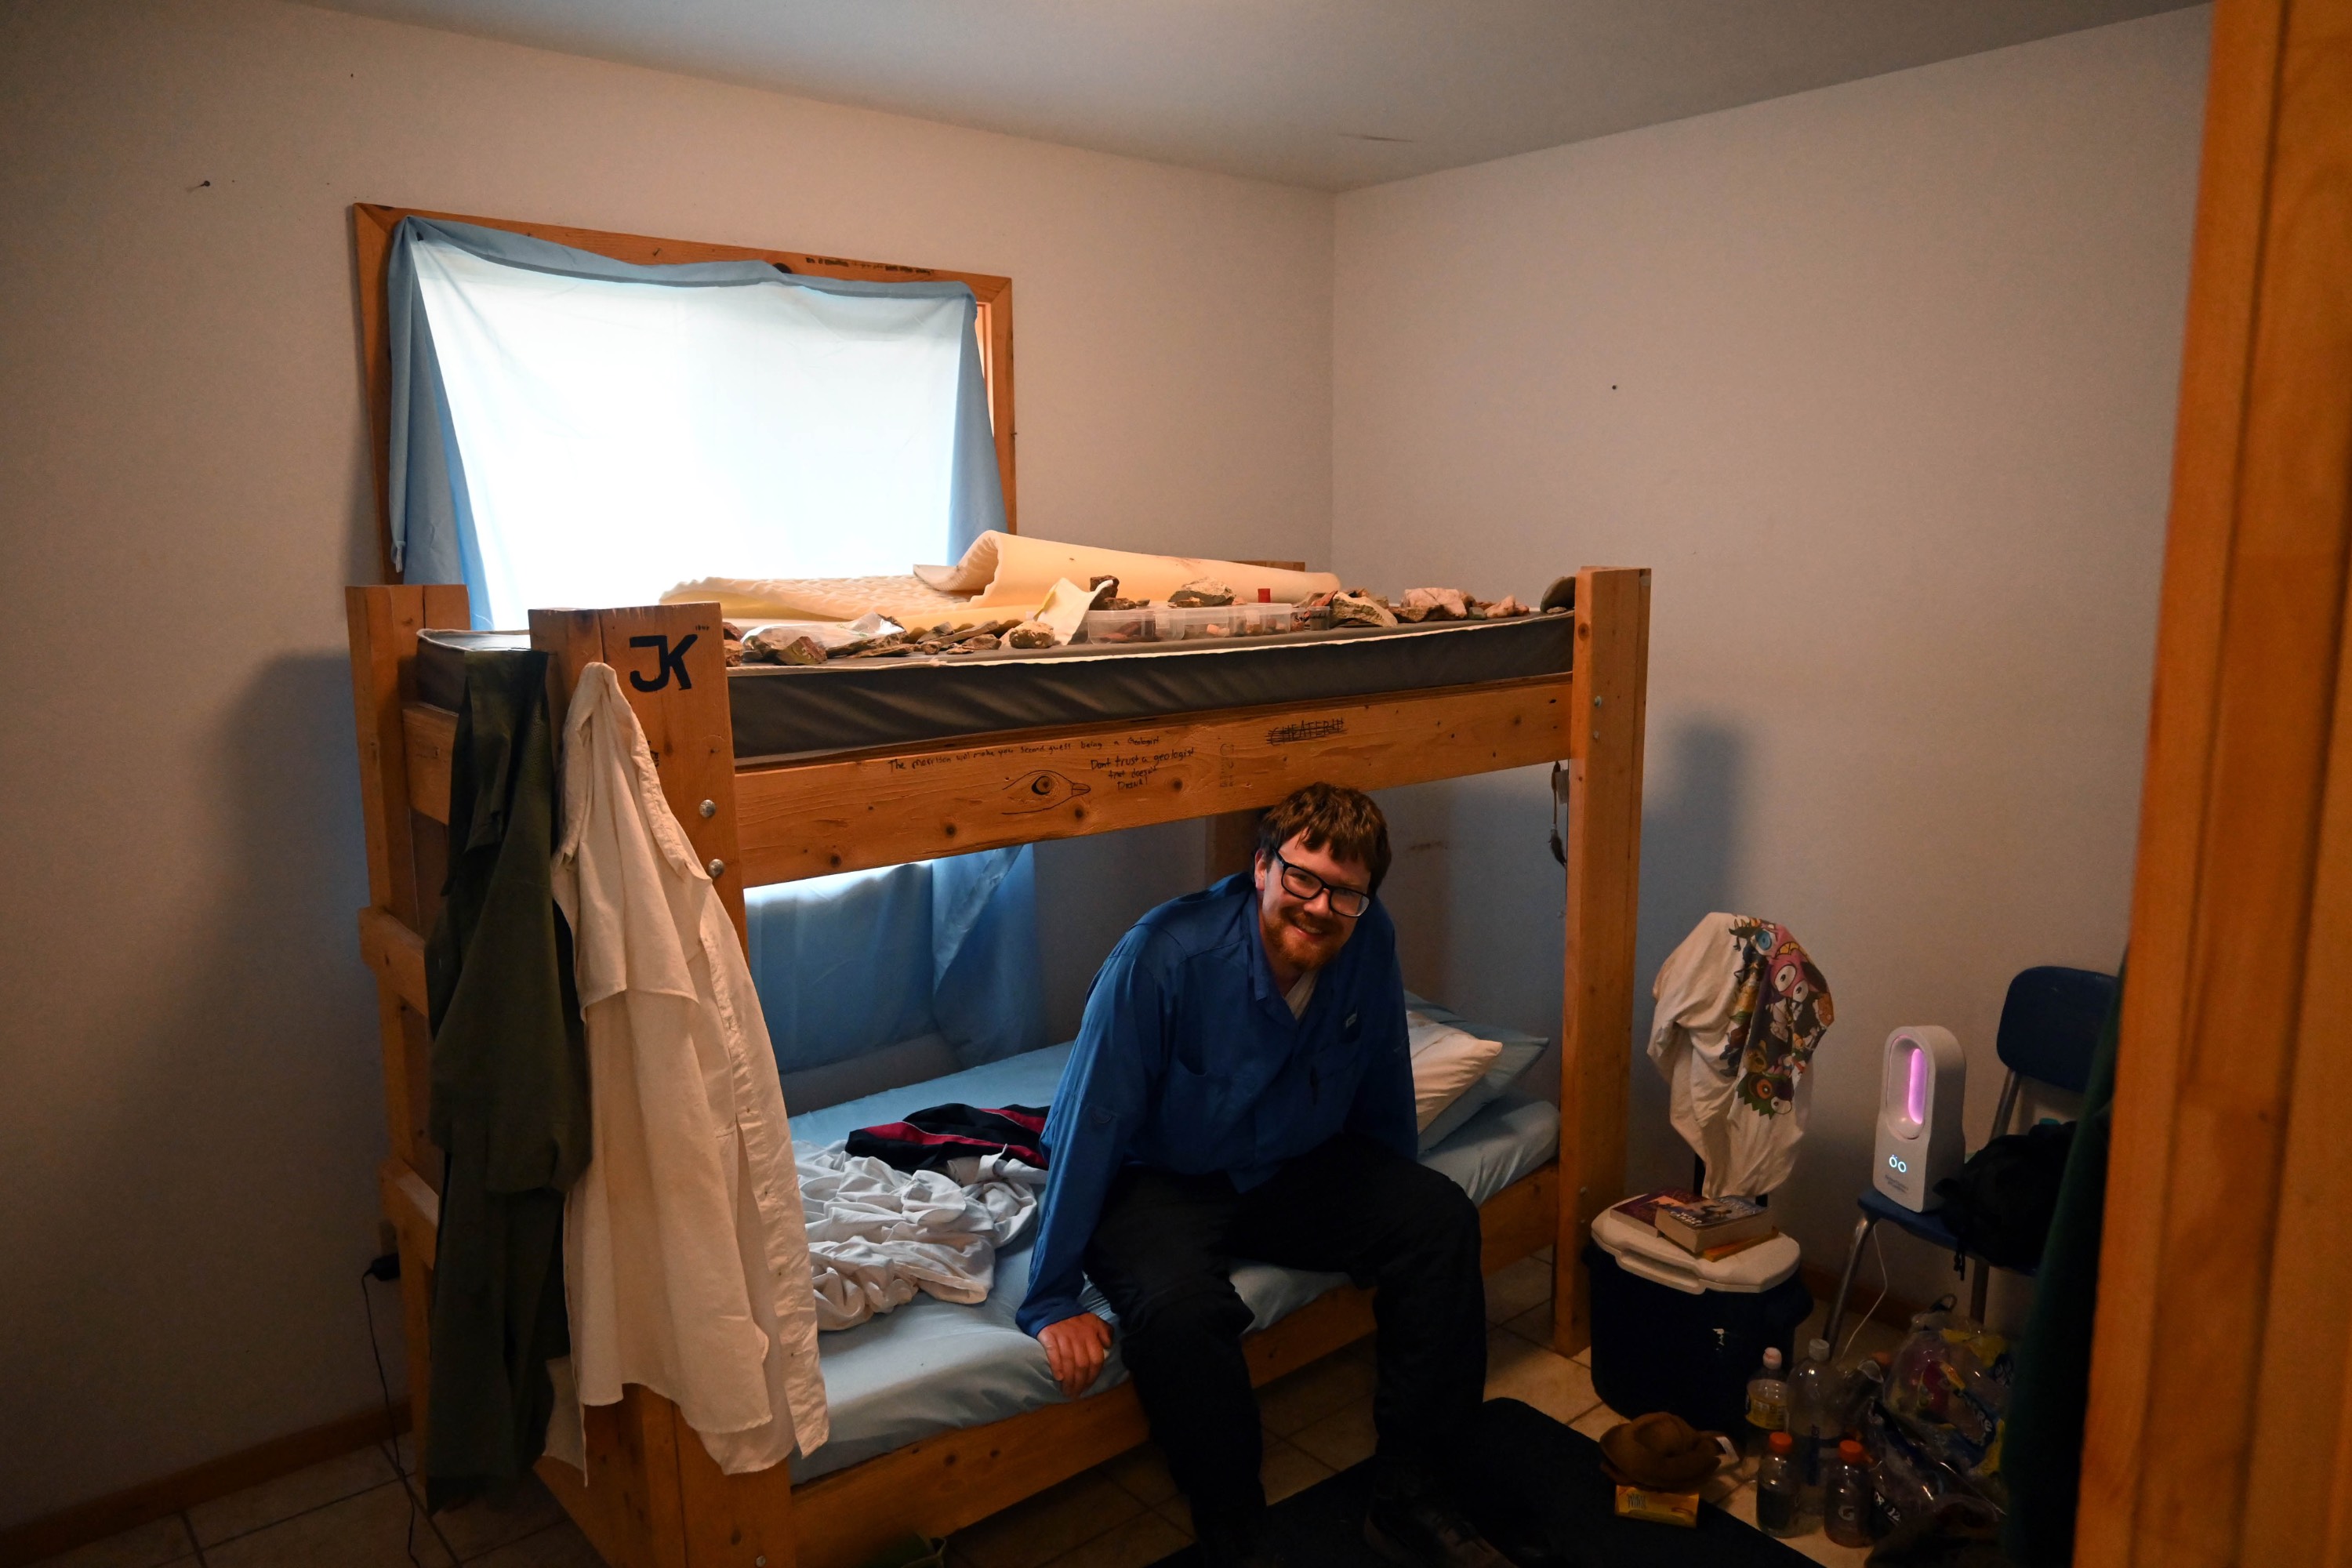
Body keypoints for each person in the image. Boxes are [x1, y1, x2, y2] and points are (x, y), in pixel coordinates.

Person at [1018, 783, 1504, 1568]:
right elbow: (1092, 1119)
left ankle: (1413, 1492)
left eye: (1344, 892)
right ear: (1261, 867)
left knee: (1438, 1217)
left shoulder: (1368, 937)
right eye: (1302, 877)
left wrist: (1382, 1207)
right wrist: (1049, 1297)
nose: (1319, 906)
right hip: (1161, 1175)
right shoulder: (1164, 955)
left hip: (1288, 1160)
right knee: (1180, 1314)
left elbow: (1381, 1070)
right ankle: (1235, 1526)